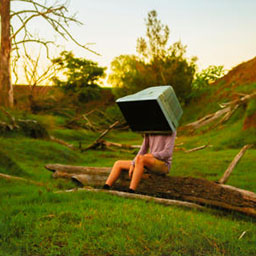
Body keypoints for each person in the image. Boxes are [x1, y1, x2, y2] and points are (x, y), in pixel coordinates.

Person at [103, 131, 176, 193]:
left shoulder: (171, 131)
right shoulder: (150, 130)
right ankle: (105, 188)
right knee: (118, 163)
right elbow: (143, 150)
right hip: (148, 161)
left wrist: (151, 155)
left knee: (141, 159)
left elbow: (168, 153)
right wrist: (133, 163)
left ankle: (131, 191)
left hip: (163, 165)